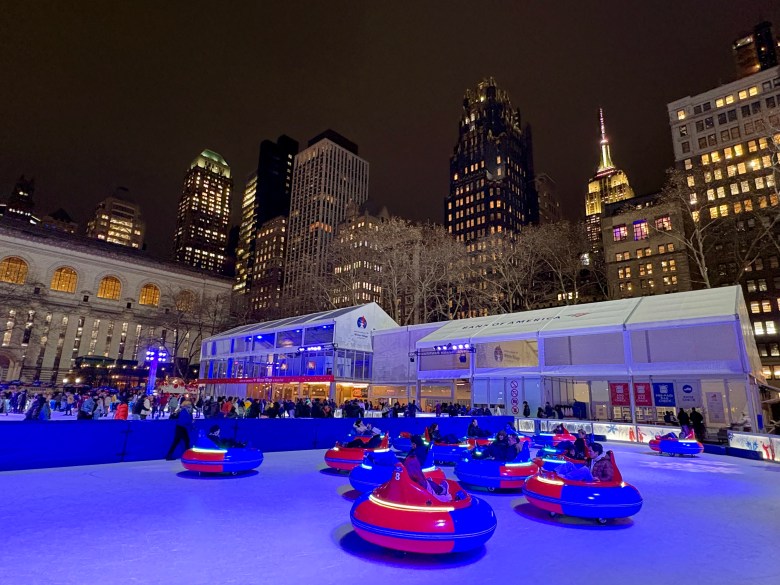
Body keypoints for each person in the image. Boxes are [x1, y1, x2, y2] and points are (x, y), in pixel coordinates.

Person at [404, 435, 452, 501]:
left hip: (417, 473)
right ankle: (441, 490)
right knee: (425, 482)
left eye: (411, 444)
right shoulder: (419, 450)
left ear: (414, 444)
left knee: (425, 482)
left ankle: (441, 491)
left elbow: (416, 464)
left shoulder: (416, 453)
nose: (411, 445)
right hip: (416, 476)